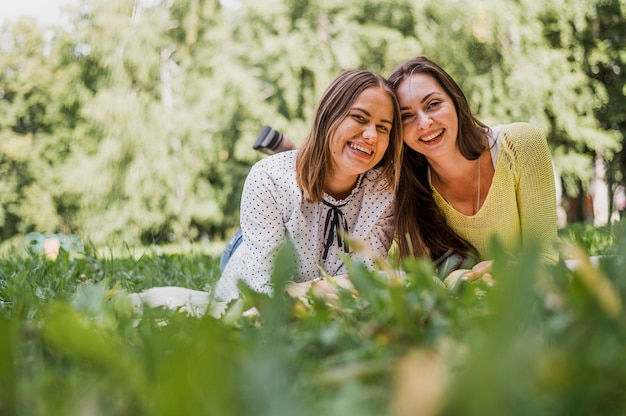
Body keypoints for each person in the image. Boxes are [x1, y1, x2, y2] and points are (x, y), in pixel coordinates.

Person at [214, 69, 404, 303]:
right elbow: (260, 287)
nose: (371, 136)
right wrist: (325, 288)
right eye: (359, 118)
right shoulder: (268, 176)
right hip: (245, 251)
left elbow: (364, 282)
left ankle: (292, 149)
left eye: (383, 127)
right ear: (329, 115)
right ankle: (293, 153)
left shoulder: (384, 193)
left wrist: (298, 289)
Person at [387, 56, 558, 283]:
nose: (424, 123)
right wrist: (461, 278)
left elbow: (545, 259)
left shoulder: (520, 145)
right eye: (406, 116)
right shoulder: (408, 188)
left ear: (456, 102)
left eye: (433, 104)